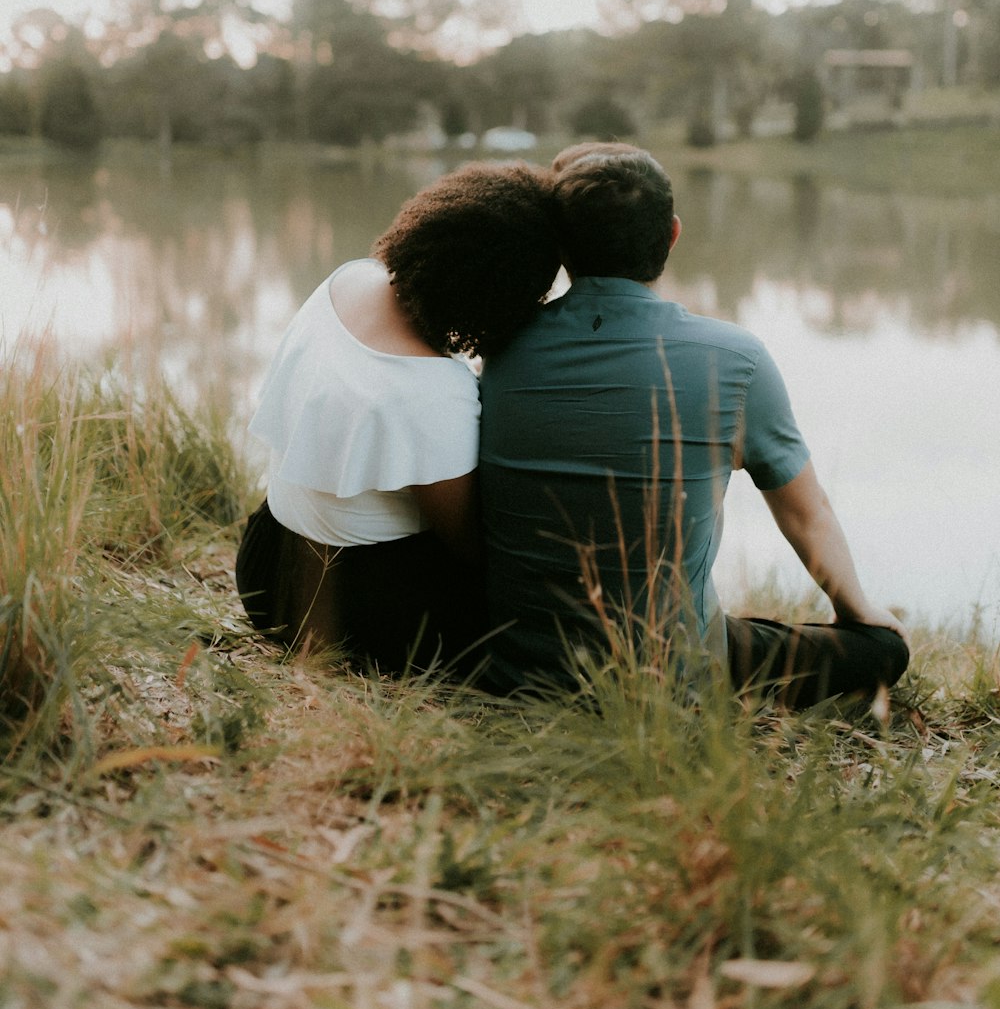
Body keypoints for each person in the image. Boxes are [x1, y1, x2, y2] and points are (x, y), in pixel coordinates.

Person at [478, 142, 910, 706]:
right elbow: (807, 516)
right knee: (882, 650)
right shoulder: (735, 360)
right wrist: (863, 616)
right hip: (672, 679)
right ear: (673, 234)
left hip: (517, 671)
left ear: (561, 247)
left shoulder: (500, 348)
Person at [236, 161, 560, 675]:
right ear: (501, 291)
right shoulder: (435, 389)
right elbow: (467, 545)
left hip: (264, 568)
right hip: (347, 616)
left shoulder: (346, 281)